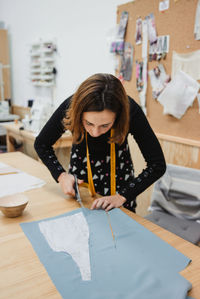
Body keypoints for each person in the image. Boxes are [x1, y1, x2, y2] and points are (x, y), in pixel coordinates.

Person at [34, 73, 166, 213]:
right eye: (88, 123)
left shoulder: (130, 110)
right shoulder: (72, 105)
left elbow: (157, 164)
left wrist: (122, 196)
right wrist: (61, 176)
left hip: (120, 190)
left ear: (118, 117)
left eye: (105, 125)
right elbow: (41, 144)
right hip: (80, 188)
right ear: (79, 113)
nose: (95, 133)